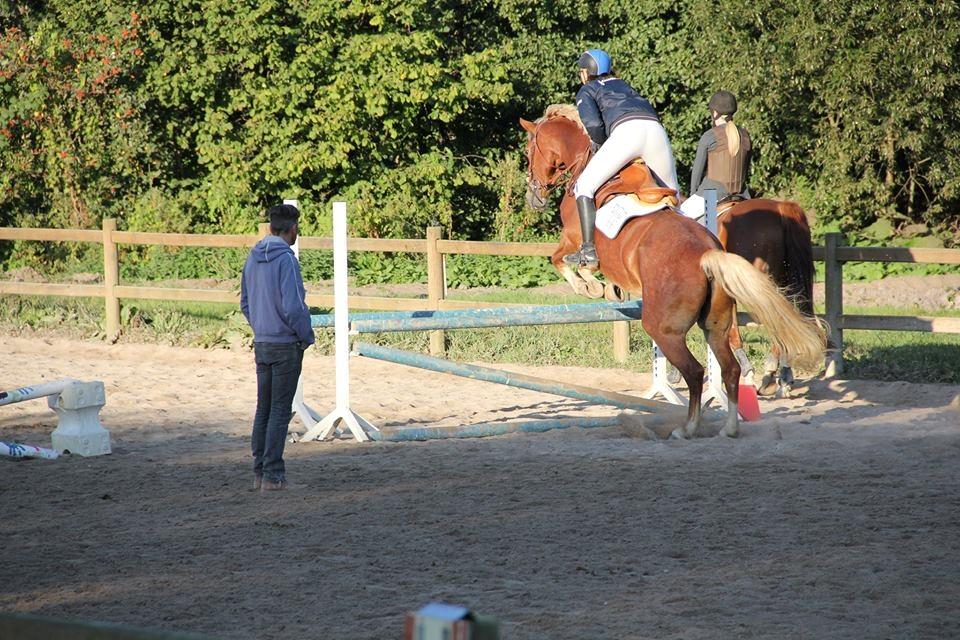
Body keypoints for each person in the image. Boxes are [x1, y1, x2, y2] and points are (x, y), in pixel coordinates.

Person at [567, 48, 680, 268]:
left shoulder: (587, 89)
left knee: (584, 187)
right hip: (656, 131)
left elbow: (593, 125)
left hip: (627, 133)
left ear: (585, 73)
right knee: (673, 193)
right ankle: (693, 242)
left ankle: (588, 251)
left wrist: (600, 144)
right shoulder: (625, 85)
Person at [240, 203, 315, 492]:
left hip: (262, 341)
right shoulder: (287, 260)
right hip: (285, 343)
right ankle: (273, 475)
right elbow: (294, 305)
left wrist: (260, 326)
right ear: (293, 227)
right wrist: (305, 335)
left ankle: (259, 472)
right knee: (280, 411)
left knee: (264, 408)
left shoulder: (253, 257)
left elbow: (245, 302)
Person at [679, 90, 752, 222]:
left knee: (679, 221)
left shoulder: (709, 136)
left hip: (711, 196)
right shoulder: (746, 136)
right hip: (742, 195)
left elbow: (697, 172)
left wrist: (693, 195)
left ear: (714, 113)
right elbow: (746, 169)